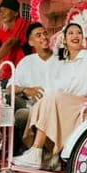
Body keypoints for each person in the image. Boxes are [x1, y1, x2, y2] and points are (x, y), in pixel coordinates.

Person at [14, 19, 87, 169]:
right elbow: (53, 89)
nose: (75, 35)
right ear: (65, 39)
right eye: (70, 33)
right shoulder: (60, 64)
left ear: (82, 38)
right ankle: (41, 153)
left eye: (78, 33)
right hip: (65, 106)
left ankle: (36, 152)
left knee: (52, 98)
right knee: (42, 103)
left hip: (85, 106)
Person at [10, 21, 54, 154]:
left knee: (21, 115)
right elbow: (10, 87)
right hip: (29, 103)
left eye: (45, 33)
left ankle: (28, 153)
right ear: (31, 42)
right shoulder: (26, 62)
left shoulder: (60, 59)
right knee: (6, 97)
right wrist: (25, 89)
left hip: (50, 108)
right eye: (38, 35)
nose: (44, 37)